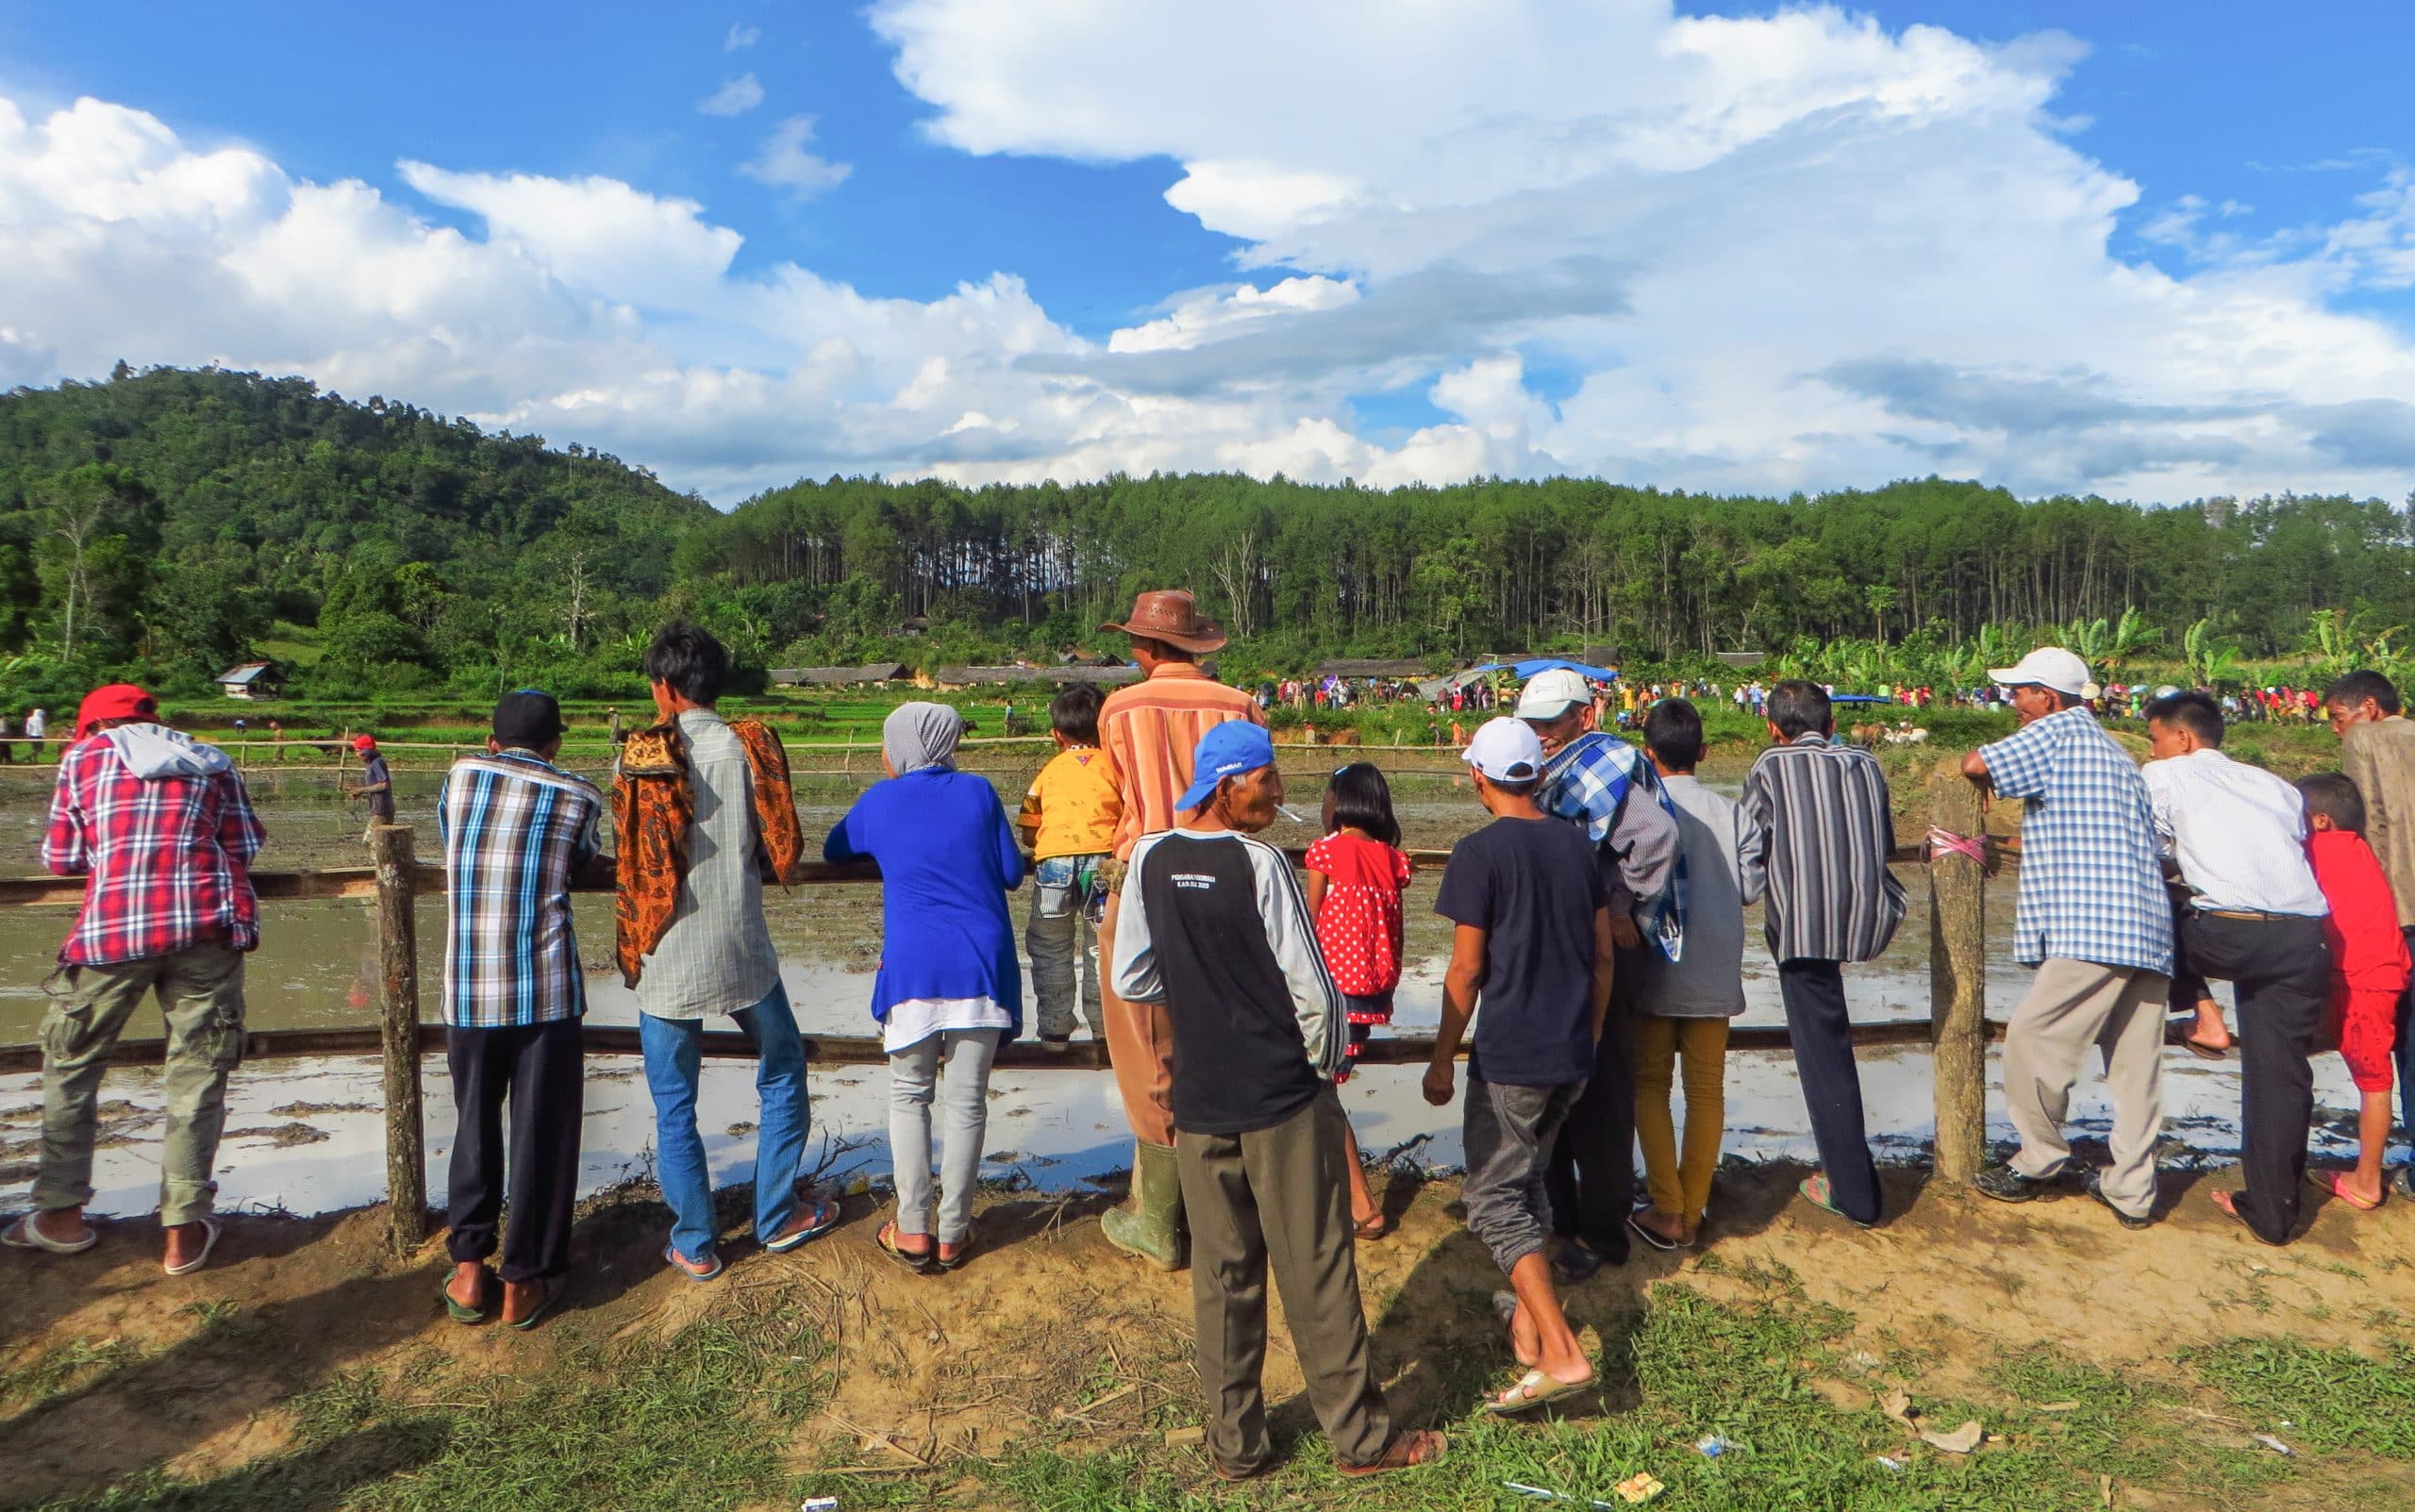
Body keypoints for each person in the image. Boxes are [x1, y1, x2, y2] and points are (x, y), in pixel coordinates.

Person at [1113, 722, 1445, 1480]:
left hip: (1201, 1100)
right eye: (1268, 777)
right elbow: (1316, 988)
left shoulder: (1151, 860)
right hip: (1278, 1095)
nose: (1282, 791)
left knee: (1223, 1275)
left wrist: (1202, 998)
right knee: (1317, 1265)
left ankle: (1236, 1444)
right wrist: (1322, 1070)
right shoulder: (1259, 862)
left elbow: (1133, 978)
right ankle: (1361, 1440)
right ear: (1228, 783)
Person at [4, 685, 263, 1272]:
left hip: (113, 933)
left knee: (71, 1066)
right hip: (205, 928)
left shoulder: (84, 759)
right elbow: (244, 845)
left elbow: (61, 857)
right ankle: (183, 1229)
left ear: (90, 725)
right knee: (197, 1073)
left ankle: (61, 1216)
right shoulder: (209, 760)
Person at [614, 623, 834, 1280]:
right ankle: (777, 1215)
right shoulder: (752, 746)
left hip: (666, 954)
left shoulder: (641, 753)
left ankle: (696, 1241)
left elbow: (629, 854)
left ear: (665, 688)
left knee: (675, 1100)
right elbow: (779, 842)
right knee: (785, 1064)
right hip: (741, 945)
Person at [1424, 718, 1612, 1414]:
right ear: (1536, 774)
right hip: (1570, 1050)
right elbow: (1602, 956)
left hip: (1512, 1056)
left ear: (1480, 777)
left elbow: (1468, 967)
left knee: (1491, 1198)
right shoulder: (1576, 844)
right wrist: (1589, 1034)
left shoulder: (1479, 853)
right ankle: (1531, 1330)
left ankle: (1562, 1351)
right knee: (1528, 1178)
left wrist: (1444, 1055)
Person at [1960, 649, 2173, 1229]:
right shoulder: (2114, 750)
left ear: (2047, 698)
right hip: (2149, 927)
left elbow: (1975, 763)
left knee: (2032, 1037)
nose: (2012, 703)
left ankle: (2038, 1159)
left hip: (2094, 921)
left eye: (2019, 692)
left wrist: (1977, 783)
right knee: (2135, 1067)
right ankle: (2132, 1193)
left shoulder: (2055, 731)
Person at [1092, 589, 1266, 1270]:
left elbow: (1116, 802)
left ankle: (1161, 1221)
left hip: (1147, 881)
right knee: (1228, 1027)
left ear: (1144, 648)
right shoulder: (1241, 704)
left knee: (1147, 1046)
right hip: (1231, 876)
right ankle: (1231, 1199)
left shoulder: (1119, 709)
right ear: (1197, 646)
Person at [826, 704, 1025, 1272]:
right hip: (980, 966)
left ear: (902, 746)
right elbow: (1012, 872)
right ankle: (955, 1232)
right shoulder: (979, 792)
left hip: (913, 968)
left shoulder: (880, 801)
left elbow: (836, 848)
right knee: (967, 1104)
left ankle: (912, 1229)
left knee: (909, 1095)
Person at [2133, 690, 2333, 1243]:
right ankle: (2272, 1215)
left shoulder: (2163, 776)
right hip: (2302, 937)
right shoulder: (2274, 785)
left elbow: (2147, 850)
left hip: (2227, 932)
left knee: (2158, 905)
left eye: (2154, 738)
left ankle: (2200, 1013)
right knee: (2281, 1074)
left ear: (2182, 738)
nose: (2152, 749)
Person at [435, 691, 603, 1330]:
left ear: (491, 739)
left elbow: (453, 836)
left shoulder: (460, 776)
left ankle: (471, 1266)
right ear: (557, 743)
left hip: (471, 987)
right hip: (545, 990)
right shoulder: (580, 795)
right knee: (543, 1132)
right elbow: (581, 859)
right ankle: (526, 1278)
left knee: (474, 1121)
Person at [1516, 667, 1678, 1280]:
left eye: (1552, 722)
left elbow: (1659, 835)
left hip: (1603, 949)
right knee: (1556, 1081)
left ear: (1585, 715)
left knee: (1602, 1092)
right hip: (1569, 943)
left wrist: (1621, 908)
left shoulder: (1608, 759)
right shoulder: (1559, 765)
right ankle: (1562, 1213)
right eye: (1533, 724)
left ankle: (1603, 1231)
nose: (1542, 734)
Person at [1744, 679, 1906, 1228]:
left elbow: (1751, 847)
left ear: (1773, 729)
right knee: (1830, 1039)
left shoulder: (1770, 766)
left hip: (1803, 932)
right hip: (1865, 921)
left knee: (1823, 1055)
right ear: (1830, 725)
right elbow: (1881, 843)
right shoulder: (1866, 765)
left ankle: (1855, 1194)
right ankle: (1851, 1173)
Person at [1625, 699, 1763, 1250]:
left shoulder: (1638, 810)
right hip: (1713, 973)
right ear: (1703, 753)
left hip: (1656, 972)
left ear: (1646, 753)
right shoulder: (1734, 814)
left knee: (1649, 1086)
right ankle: (1694, 1207)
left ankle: (1667, 1208)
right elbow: (1751, 889)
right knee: (1706, 1091)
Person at [1304, 760, 1412, 1238]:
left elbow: (1309, 920)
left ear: (1339, 802)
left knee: (1317, 1087)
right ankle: (1348, 1196)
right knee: (1322, 1084)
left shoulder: (1326, 851)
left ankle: (1360, 1203)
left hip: (1333, 987)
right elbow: (1395, 926)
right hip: (1372, 991)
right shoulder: (1392, 858)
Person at [2295, 772, 2409, 1212]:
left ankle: (2367, 1181)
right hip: (2379, 971)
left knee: (2373, 1080)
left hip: (2363, 979)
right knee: (2362, 1065)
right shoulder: (2358, 849)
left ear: (2320, 820)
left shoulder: (2317, 850)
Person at [2328, 670, 2415, 1198]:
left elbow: (2370, 827)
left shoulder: (2367, 740)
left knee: (2406, 1040)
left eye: (2339, 719)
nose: (2338, 732)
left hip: (2402, 912)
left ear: (2368, 708)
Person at [1014, 683, 1120, 1052]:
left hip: (1054, 865)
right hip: (1105, 866)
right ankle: (1104, 1030)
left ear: (1056, 734)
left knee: (1050, 947)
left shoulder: (1048, 772)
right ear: (1103, 728)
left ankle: (1055, 1031)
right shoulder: (1116, 768)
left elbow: (1030, 831)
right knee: (1101, 948)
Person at [345, 733, 395, 839]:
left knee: (370, 840)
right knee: (373, 841)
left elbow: (384, 785)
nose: (357, 755)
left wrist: (362, 790)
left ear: (366, 751)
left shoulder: (377, 763)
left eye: (358, 751)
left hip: (382, 810)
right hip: (377, 808)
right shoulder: (370, 764)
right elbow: (374, 785)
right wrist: (360, 791)